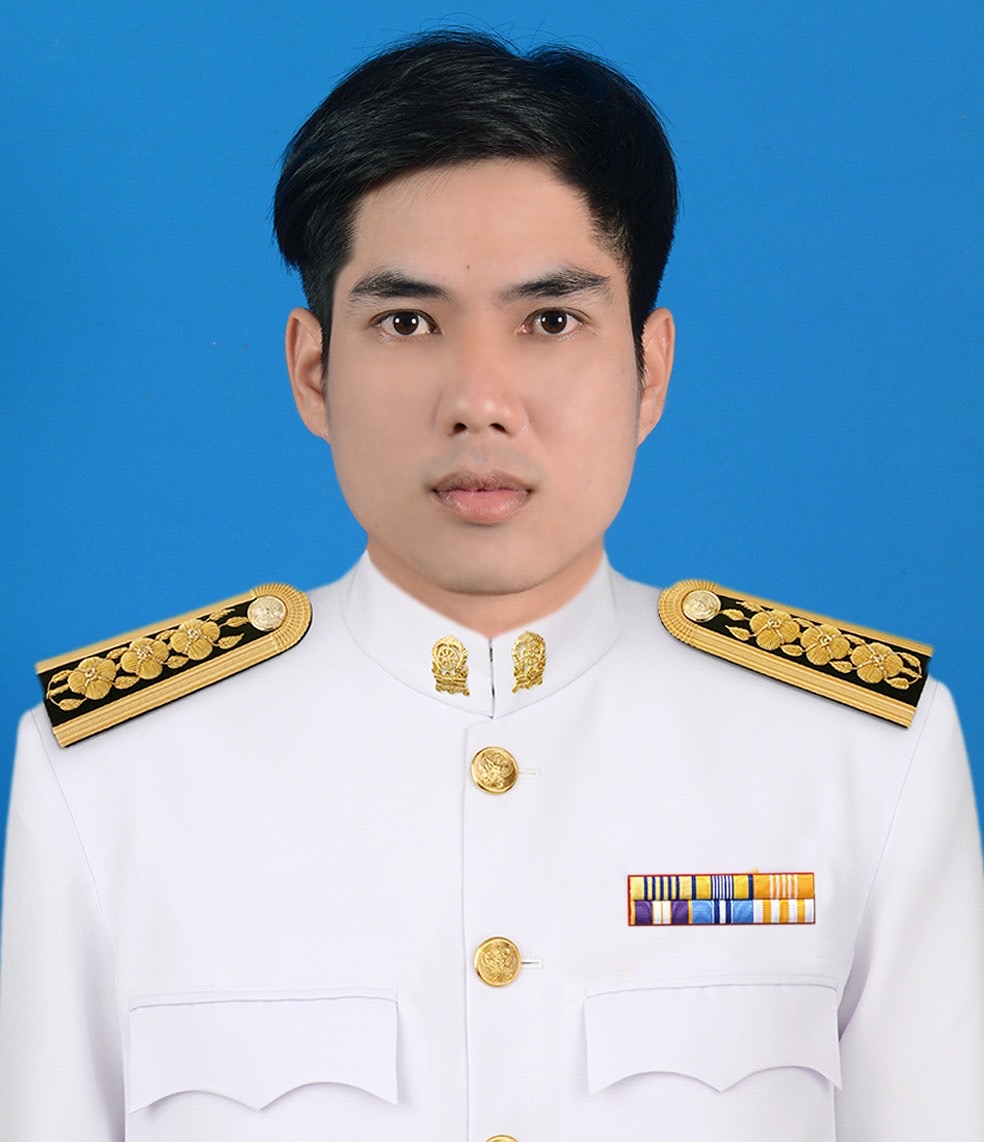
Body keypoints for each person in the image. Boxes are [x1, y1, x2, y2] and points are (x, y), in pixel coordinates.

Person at [1, 30, 981, 1141]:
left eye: (550, 321)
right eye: (407, 322)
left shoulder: (861, 762)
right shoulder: (112, 780)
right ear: (314, 370)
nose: (480, 400)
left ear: (649, 369)